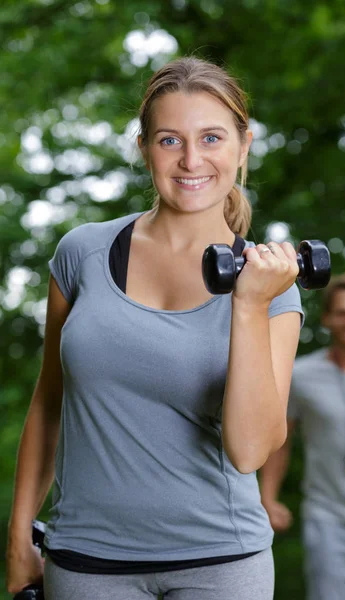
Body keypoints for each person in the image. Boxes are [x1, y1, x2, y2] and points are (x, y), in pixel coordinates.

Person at [6, 56, 304, 600]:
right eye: (170, 140)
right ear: (144, 148)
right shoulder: (82, 253)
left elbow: (249, 450)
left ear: (244, 147)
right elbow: (49, 403)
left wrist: (247, 304)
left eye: (212, 137)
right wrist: (17, 536)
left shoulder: (271, 284)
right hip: (86, 562)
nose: (192, 159)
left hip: (221, 564)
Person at [260, 272, 345, 600]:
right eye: (342, 312)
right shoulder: (302, 375)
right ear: (327, 318)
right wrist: (267, 498)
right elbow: (280, 441)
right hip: (326, 517)